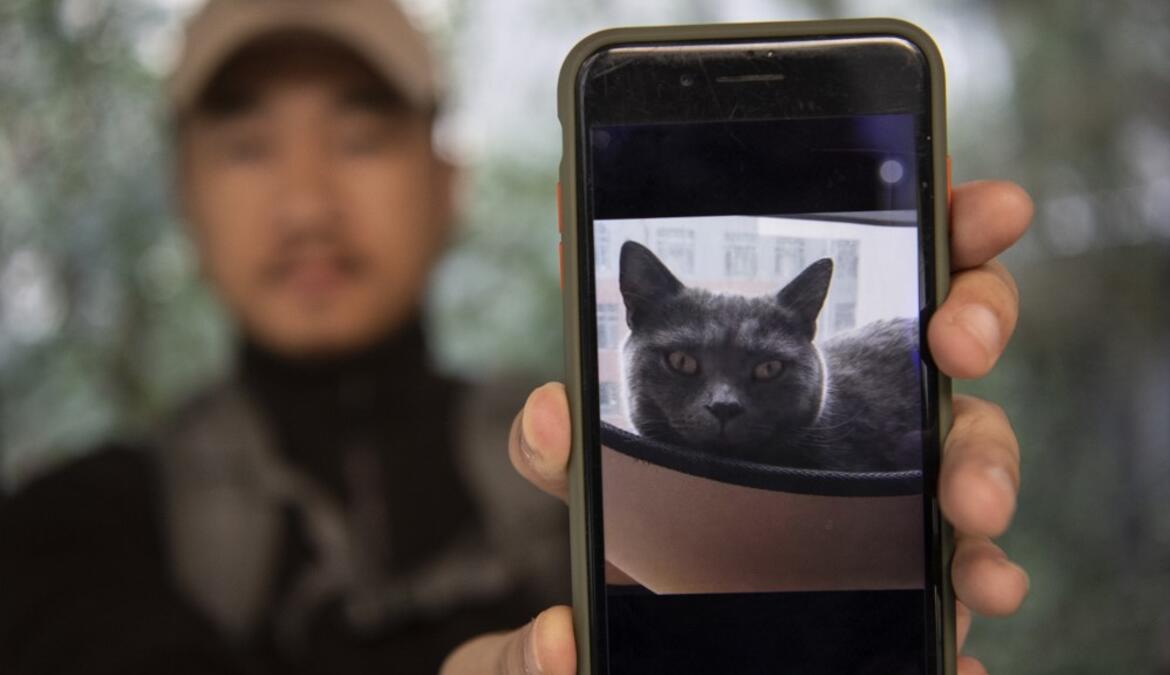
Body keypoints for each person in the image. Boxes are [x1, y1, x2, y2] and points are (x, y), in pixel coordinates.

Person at [0, 1, 1033, 674]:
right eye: (248, 143)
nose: (306, 200)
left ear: (447, 182)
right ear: (184, 195)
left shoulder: (583, 490)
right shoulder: (69, 529)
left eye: (359, 134)